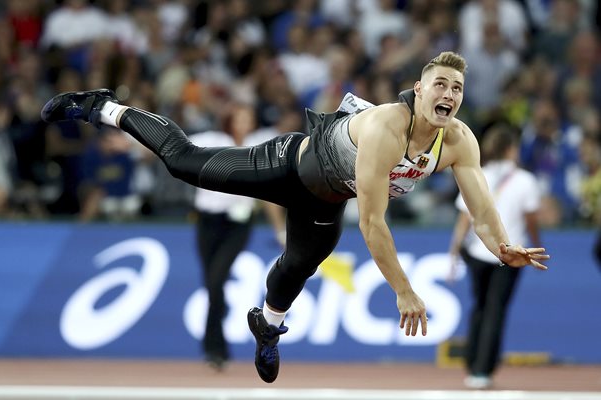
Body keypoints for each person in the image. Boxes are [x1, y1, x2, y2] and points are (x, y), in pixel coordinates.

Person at [40, 51, 550, 384]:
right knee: (184, 163)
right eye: (440, 84)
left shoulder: (459, 139)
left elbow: (481, 205)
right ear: (418, 89)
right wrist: (403, 289)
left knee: (298, 266)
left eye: (457, 89)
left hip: (324, 199)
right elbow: (373, 224)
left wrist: (501, 243)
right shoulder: (386, 130)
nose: (449, 95)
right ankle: (101, 108)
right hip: (285, 165)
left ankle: (267, 324)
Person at [188, 103, 286, 370]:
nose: (244, 124)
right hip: (207, 222)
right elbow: (174, 147)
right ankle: (216, 331)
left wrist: (279, 230)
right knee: (211, 285)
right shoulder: (212, 140)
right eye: (239, 118)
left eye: (248, 119)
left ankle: (215, 350)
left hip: (238, 225)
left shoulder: (259, 146)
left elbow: (270, 193)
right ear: (229, 120)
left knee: (217, 279)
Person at [447, 125, 543, 390]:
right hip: (511, 255)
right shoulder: (526, 181)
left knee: (479, 306)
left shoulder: (477, 174)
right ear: (511, 149)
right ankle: (483, 369)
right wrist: (537, 246)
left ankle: (471, 363)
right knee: (495, 310)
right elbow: (531, 219)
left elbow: (464, 219)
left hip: (477, 252)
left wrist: (454, 253)